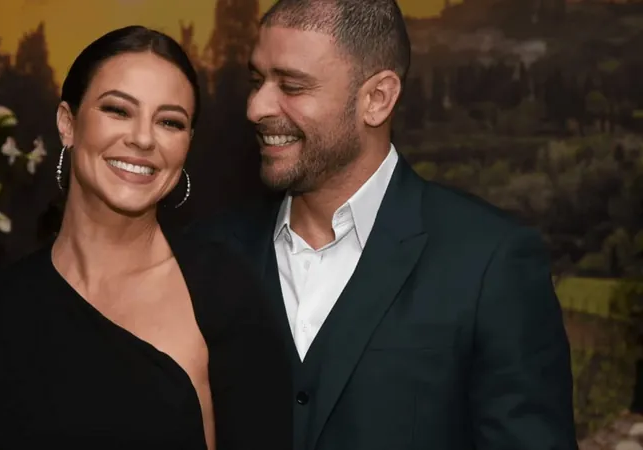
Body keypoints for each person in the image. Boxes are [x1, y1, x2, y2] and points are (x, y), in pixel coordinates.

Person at [192, 0, 578, 449]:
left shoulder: (490, 262)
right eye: (257, 81)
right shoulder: (209, 252)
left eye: (292, 86)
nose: (256, 107)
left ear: (377, 99)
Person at [0, 26, 292, 450]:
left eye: (169, 122)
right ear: (68, 123)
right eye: (118, 110)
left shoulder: (226, 293)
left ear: (187, 144)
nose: (143, 139)